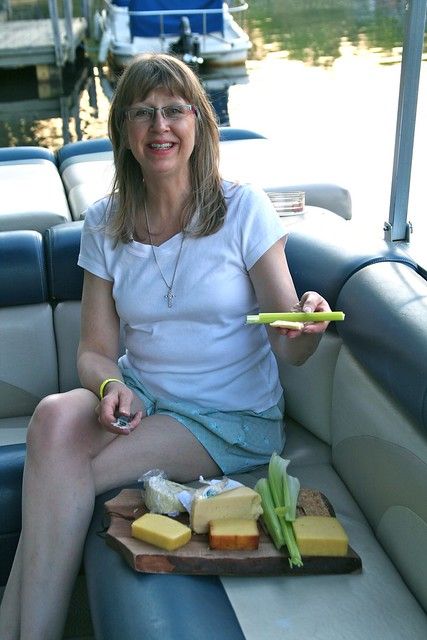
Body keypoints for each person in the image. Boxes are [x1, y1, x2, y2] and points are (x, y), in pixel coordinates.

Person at [0, 53, 331, 639]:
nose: (161, 126)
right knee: (53, 417)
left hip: (228, 416)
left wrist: (307, 326)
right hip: (145, 393)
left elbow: (290, 346)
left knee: (60, 476)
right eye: (143, 113)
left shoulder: (242, 209)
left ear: (198, 123)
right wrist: (109, 385)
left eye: (175, 110)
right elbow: (94, 350)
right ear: (124, 133)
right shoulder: (106, 223)